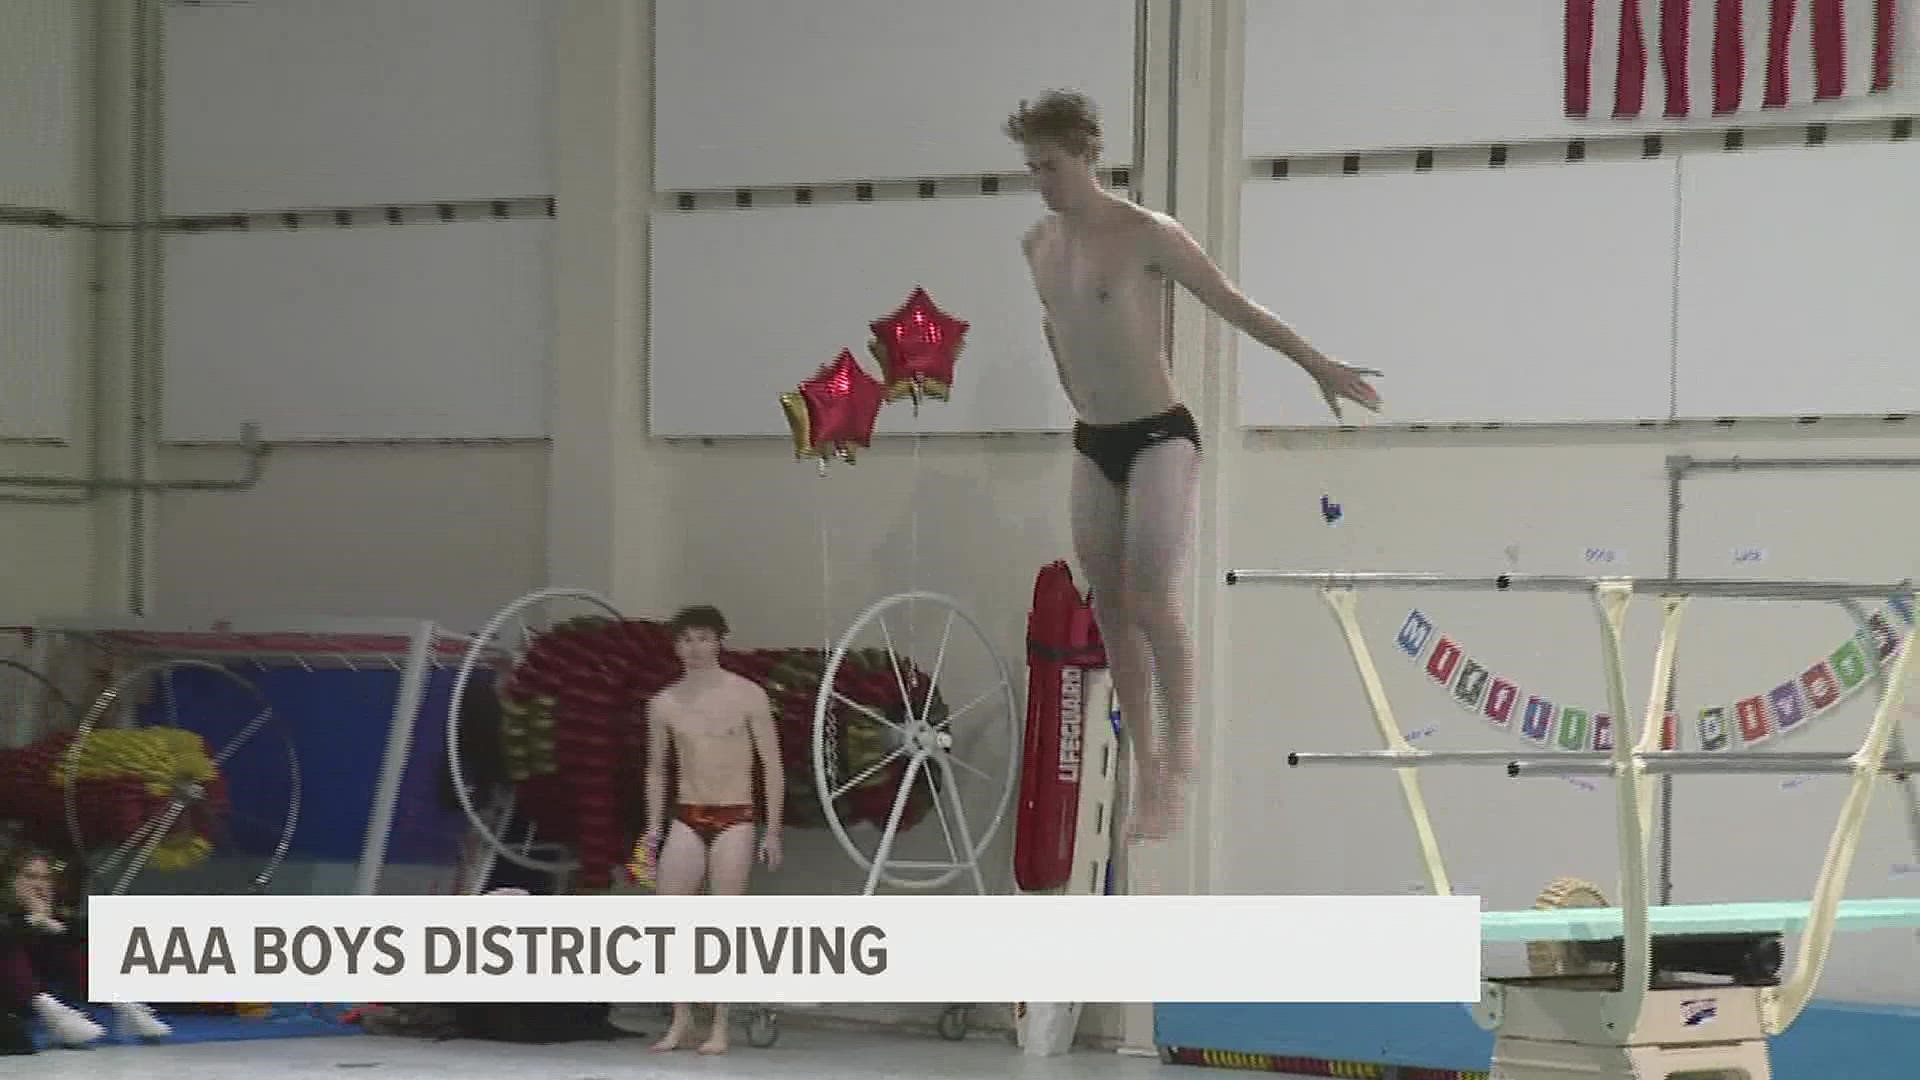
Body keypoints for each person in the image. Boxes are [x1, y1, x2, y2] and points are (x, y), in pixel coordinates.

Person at [1007, 90, 1382, 841]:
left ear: (1088, 155)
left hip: (1159, 434)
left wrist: (1316, 364)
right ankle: (1150, 771)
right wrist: (1065, 377)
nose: (1043, 181)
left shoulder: (1148, 233)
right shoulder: (1038, 245)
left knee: (1149, 596)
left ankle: (1181, 748)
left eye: (1052, 166)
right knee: (1108, 606)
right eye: (1033, 168)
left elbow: (1234, 305)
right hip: (1094, 438)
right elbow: (1059, 325)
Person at [640, 605, 785, 1055]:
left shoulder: (748, 696)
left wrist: (772, 830)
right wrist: (652, 829)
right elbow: (656, 772)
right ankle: (681, 1018)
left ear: (719, 640)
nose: (695, 648)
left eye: (703, 638)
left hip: (735, 815)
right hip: (686, 813)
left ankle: (719, 1022)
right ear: (675, 646)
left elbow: (772, 766)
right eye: (685, 640)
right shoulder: (664, 703)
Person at [0, 841, 170, 1052]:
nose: (39, 884)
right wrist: (32, 922)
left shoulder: (54, 910)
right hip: (10, 994)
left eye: (45, 878)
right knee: (7, 947)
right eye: (30, 876)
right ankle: (53, 1014)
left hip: (41, 984)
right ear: (10, 881)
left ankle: (123, 1005)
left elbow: (81, 932)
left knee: (79, 946)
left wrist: (52, 925)